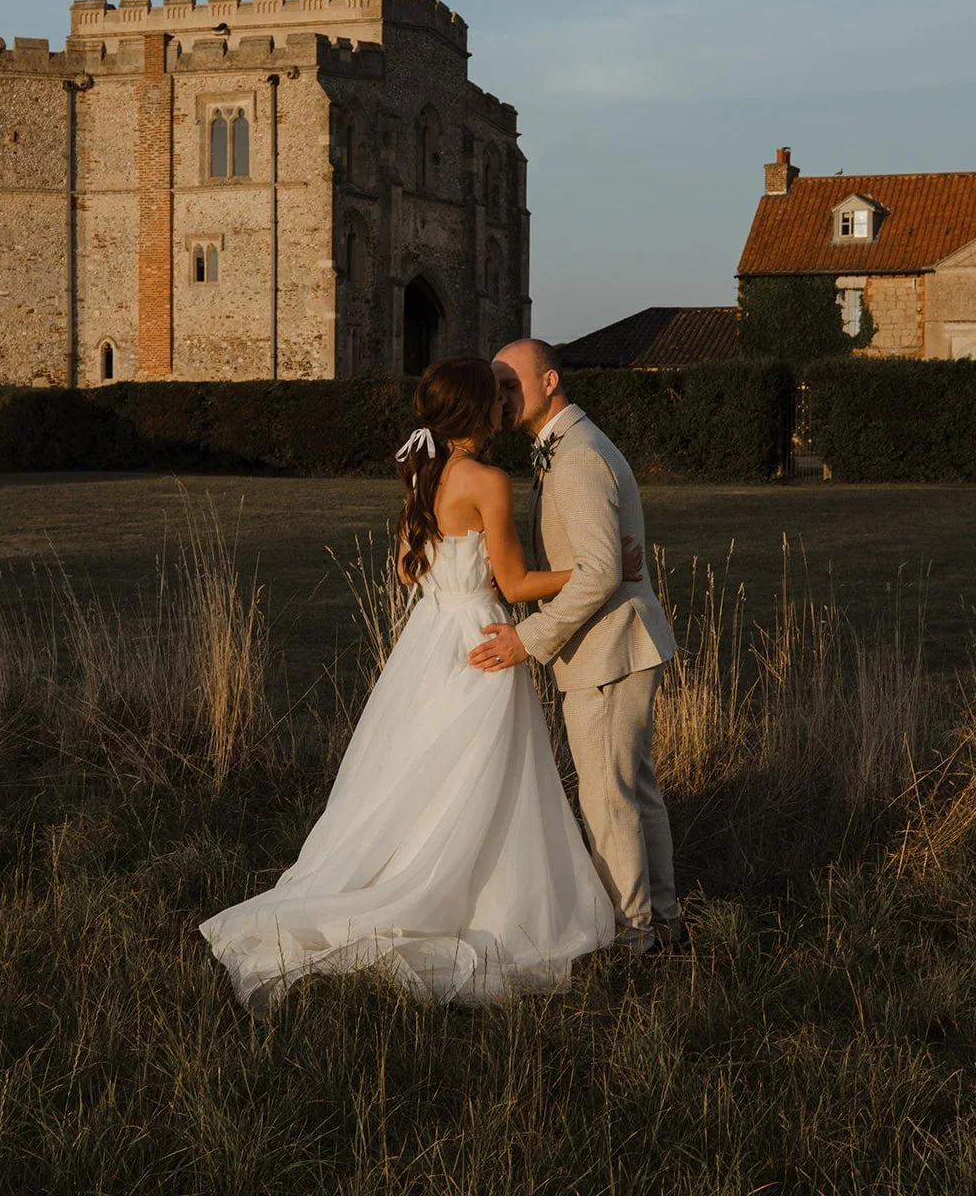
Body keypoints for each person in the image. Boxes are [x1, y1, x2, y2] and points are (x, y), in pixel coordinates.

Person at [200, 356, 642, 1009]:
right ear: (475, 410)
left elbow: (410, 572)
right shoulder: (488, 480)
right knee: (483, 773)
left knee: (424, 771)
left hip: (429, 639)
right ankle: (464, 895)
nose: (503, 406)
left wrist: (462, 572)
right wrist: (595, 568)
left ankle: (416, 876)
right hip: (478, 643)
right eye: (495, 397)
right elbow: (518, 584)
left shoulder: (423, 471)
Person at [469, 340, 686, 955]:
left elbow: (599, 572)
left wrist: (526, 638)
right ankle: (661, 923)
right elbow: (587, 560)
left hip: (608, 650)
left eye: (511, 386)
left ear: (551, 380)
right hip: (615, 645)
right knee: (633, 790)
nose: (501, 399)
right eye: (496, 388)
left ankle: (634, 935)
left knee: (608, 797)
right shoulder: (565, 449)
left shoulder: (578, 457)